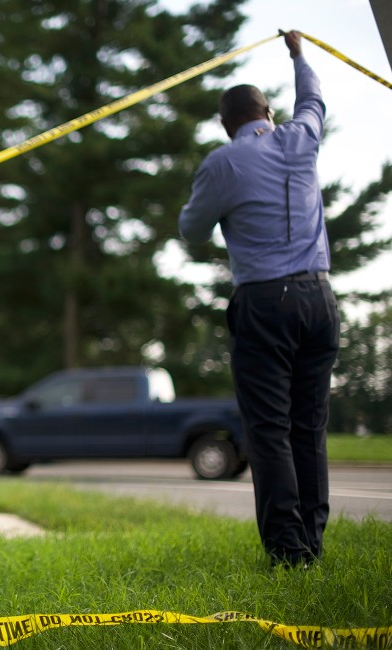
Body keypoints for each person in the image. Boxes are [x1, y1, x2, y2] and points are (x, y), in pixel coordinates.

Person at [178, 30, 340, 568]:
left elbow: (191, 231)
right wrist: (298, 55)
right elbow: (314, 99)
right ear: (266, 112)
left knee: (269, 429)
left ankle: (289, 553)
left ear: (226, 124)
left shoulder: (222, 163)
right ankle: (310, 544)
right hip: (321, 301)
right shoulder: (302, 138)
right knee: (307, 427)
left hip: (267, 303)